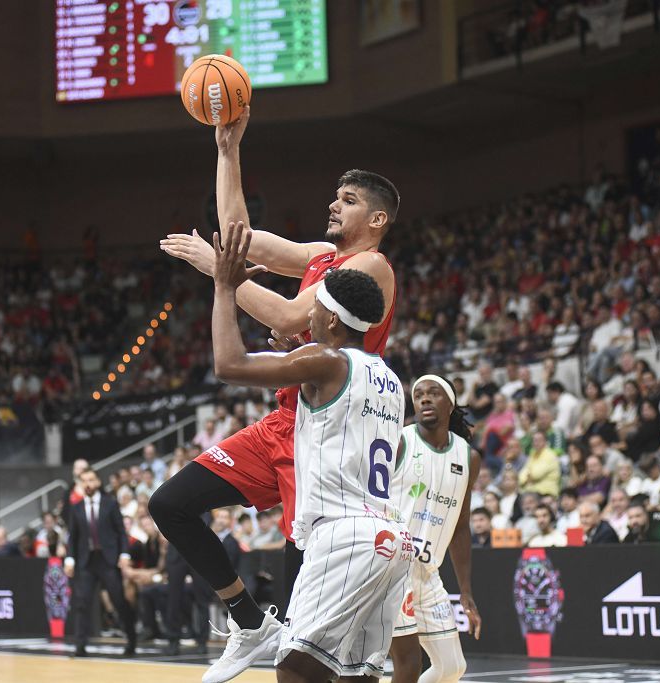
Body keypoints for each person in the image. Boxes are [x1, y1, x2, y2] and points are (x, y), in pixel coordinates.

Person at [155, 106, 400, 679]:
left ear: (378, 217)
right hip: (281, 421)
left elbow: (291, 321)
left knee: (305, 643)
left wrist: (222, 273)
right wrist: (227, 150)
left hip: (325, 431)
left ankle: (290, 639)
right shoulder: (321, 257)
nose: (333, 204)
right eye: (335, 196)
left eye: (348, 199)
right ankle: (246, 619)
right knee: (170, 503)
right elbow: (239, 236)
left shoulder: (372, 266)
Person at [194, 227, 409, 683]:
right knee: (357, 675)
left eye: (313, 310)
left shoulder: (326, 362)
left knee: (294, 668)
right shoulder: (388, 379)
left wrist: (224, 286)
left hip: (343, 534)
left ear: (331, 320)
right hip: (390, 538)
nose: (303, 318)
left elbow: (229, 364)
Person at [388, 375, 482, 683]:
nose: (424, 399)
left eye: (433, 393)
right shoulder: (399, 440)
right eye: (419, 395)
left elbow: (461, 527)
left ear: (450, 404)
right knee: (408, 664)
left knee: (452, 667)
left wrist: (465, 590)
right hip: (391, 570)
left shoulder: (468, 457)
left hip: (428, 575)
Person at [65, 468, 137, 657]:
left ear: (97, 481)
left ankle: (131, 640)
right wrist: (70, 559)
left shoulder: (110, 504)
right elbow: (73, 537)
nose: (88, 484)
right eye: (84, 481)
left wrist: (124, 554)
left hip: (108, 560)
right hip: (87, 561)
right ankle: (80, 645)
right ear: (81, 485)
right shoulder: (76, 507)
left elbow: (121, 531)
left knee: (118, 600)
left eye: (91, 480)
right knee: (82, 602)